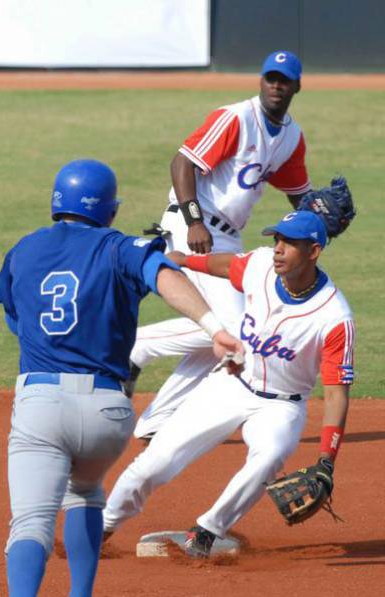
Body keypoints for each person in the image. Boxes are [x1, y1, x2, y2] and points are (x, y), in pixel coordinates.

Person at [0, 159, 242, 595]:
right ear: (110, 210)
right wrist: (214, 328)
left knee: (31, 522)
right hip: (107, 413)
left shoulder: (23, 250)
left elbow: (15, 317)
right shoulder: (120, 247)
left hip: (42, 405)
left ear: (56, 203)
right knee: (87, 495)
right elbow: (166, 275)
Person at [103, 210, 355, 558]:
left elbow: (336, 393)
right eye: (277, 239)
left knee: (269, 457)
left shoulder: (333, 317)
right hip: (232, 381)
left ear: (313, 252)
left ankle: (206, 531)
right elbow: (223, 266)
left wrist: (327, 460)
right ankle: (102, 525)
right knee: (155, 461)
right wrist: (184, 260)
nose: (279, 249)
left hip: (281, 406)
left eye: (290, 243)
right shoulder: (261, 264)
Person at [126, 50, 314, 441]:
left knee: (227, 331)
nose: (276, 86)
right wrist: (193, 218)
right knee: (238, 329)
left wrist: (323, 221)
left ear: (296, 86)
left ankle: (156, 417)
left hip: (227, 234)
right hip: (191, 224)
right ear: (261, 81)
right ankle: (140, 348)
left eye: (284, 80)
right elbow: (182, 163)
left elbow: (301, 197)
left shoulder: (291, 138)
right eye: (270, 78)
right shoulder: (236, 118)